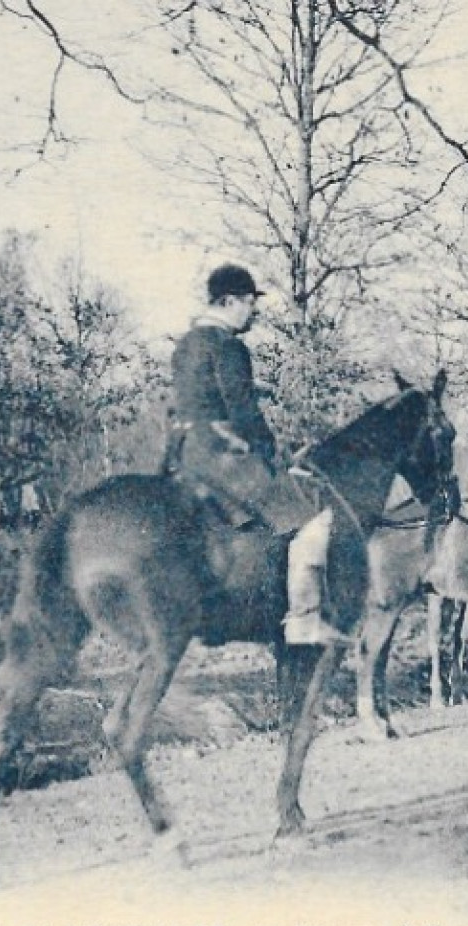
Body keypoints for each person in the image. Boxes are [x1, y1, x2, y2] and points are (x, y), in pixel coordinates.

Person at [168, 264, 342, 645]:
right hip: (222, 455)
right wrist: (270, 454)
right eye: (249, 303)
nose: (254, 311)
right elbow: (244, 411)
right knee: (313, 520)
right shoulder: (229, 345)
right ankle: (304, 617)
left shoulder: (185, 343)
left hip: (183, 454)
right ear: (228, 302)